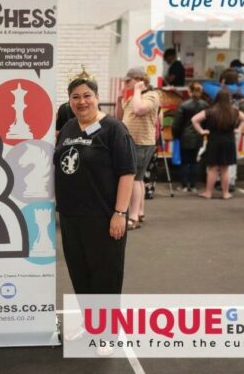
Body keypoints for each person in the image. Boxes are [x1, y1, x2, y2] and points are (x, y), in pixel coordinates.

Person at [54, 77, 135, 355]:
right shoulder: (68, 127)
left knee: (105, 277)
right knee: (81, 275)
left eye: (87, 95)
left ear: (97, 97)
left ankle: (107, 334)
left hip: (103, 217)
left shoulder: (114, 129)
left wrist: (119, 213)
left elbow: (127, 172)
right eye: (75, 97)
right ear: (69, 101)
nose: (82, 101)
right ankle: (91, 325)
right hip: (71, 216)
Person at [117, 67, 160, 230]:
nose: (126, 83)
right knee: (139, 179)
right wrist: (120, 98)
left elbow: (138, 110)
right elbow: (120, 117)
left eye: (129, 81)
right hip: (132, 142)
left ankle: (133, 217)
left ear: (139, 80)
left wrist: (136, 90)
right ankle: (140, 212)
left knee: (133, 179)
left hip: (141, 142)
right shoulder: (134, 97)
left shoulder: (152, 96)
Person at [192, 89, 244, 199]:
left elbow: (194, 119)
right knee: (225, 169)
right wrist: (238, 129)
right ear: (229, 99)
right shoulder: (234, 111)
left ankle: (208, 192)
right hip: (229, 142)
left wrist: (202, 131)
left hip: (214, 141)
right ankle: (225, 193)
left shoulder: (210, 111)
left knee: (212, 169)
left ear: (216, 98)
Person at [171, 81, 208, 192]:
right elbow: (207, 121)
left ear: (189, 91)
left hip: (185, 136)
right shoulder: (205, 105)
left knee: (184, 161)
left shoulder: (183, 105)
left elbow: (177, 124)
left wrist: (175, 135)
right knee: (194, 161)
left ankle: (184, 185)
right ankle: (193, 185)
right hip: (198, 136)